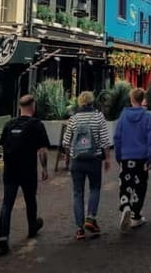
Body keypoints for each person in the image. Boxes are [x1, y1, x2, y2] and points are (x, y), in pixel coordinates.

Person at [0, 94, 48, 256]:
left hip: (10, 170)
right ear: (33, 106)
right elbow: (42, 150)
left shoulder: (9, 124)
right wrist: (45, 168)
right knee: (30, 199)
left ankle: (3, 239)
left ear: (20, 107)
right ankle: (32, 227)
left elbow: (2, 147)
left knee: (7, 204)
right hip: (28, 169)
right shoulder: (36, 124)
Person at [62, 91, 112, 240]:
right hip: (94, 159)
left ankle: (79, 229)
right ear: (92, 102)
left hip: (77, 160)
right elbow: (104, 140)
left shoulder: (73, 118)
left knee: (78, 193)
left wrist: (67, 157)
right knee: (95, 188)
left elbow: (66, 142)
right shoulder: (98, 116)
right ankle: (90, 217)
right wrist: (107, 158)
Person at [114, 87, 151, 231]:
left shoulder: (123, 116)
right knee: (140, 185)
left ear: (131, 100)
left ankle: (125, 204)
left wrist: (118, 156)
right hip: (141, 157)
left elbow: (117, 137)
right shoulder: (147, 117)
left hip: (126, 156)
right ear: (142, 99)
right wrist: (150, 158)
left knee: (125, 183)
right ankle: (136, 214)